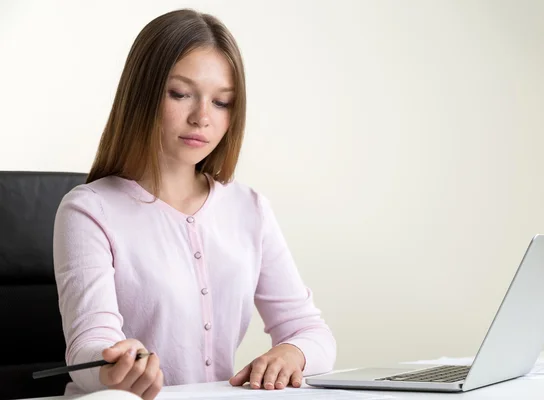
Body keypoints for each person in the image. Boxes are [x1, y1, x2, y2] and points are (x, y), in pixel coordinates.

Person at [53, 8, 336, 400]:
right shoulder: (90, 210)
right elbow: (87, 348)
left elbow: (311, 332)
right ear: (144, 94)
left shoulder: (249, 208)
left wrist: (293, 352)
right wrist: (114, 365)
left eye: (222, 102)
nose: (202, 117)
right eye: (181, 94)